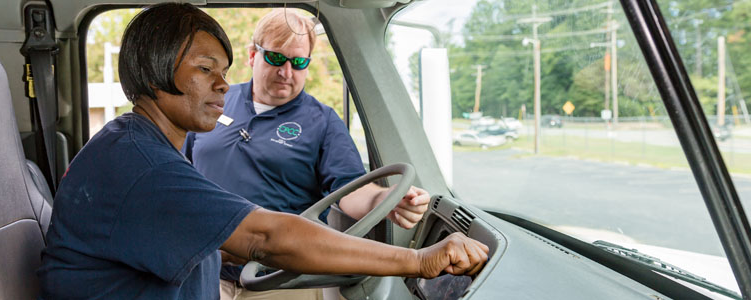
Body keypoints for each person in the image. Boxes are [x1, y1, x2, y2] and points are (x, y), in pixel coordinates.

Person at [37, 3, 488, 299]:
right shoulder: (140, 161)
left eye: (223, 70)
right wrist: (419, 259)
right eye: (205, 68)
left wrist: (384, 203)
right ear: (155, 74)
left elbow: (238, 233)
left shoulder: (140, 143)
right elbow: (264, 237)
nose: (221, 82)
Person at [181, 9, 432, 299]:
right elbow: (180, 171)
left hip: (280, 276)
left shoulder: (322, 122)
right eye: (276, 58)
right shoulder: (216, 100)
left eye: (298, 62)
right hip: (205, 269)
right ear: (252, 55)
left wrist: (388, 201)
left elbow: (350, 190)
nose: (286, 72)